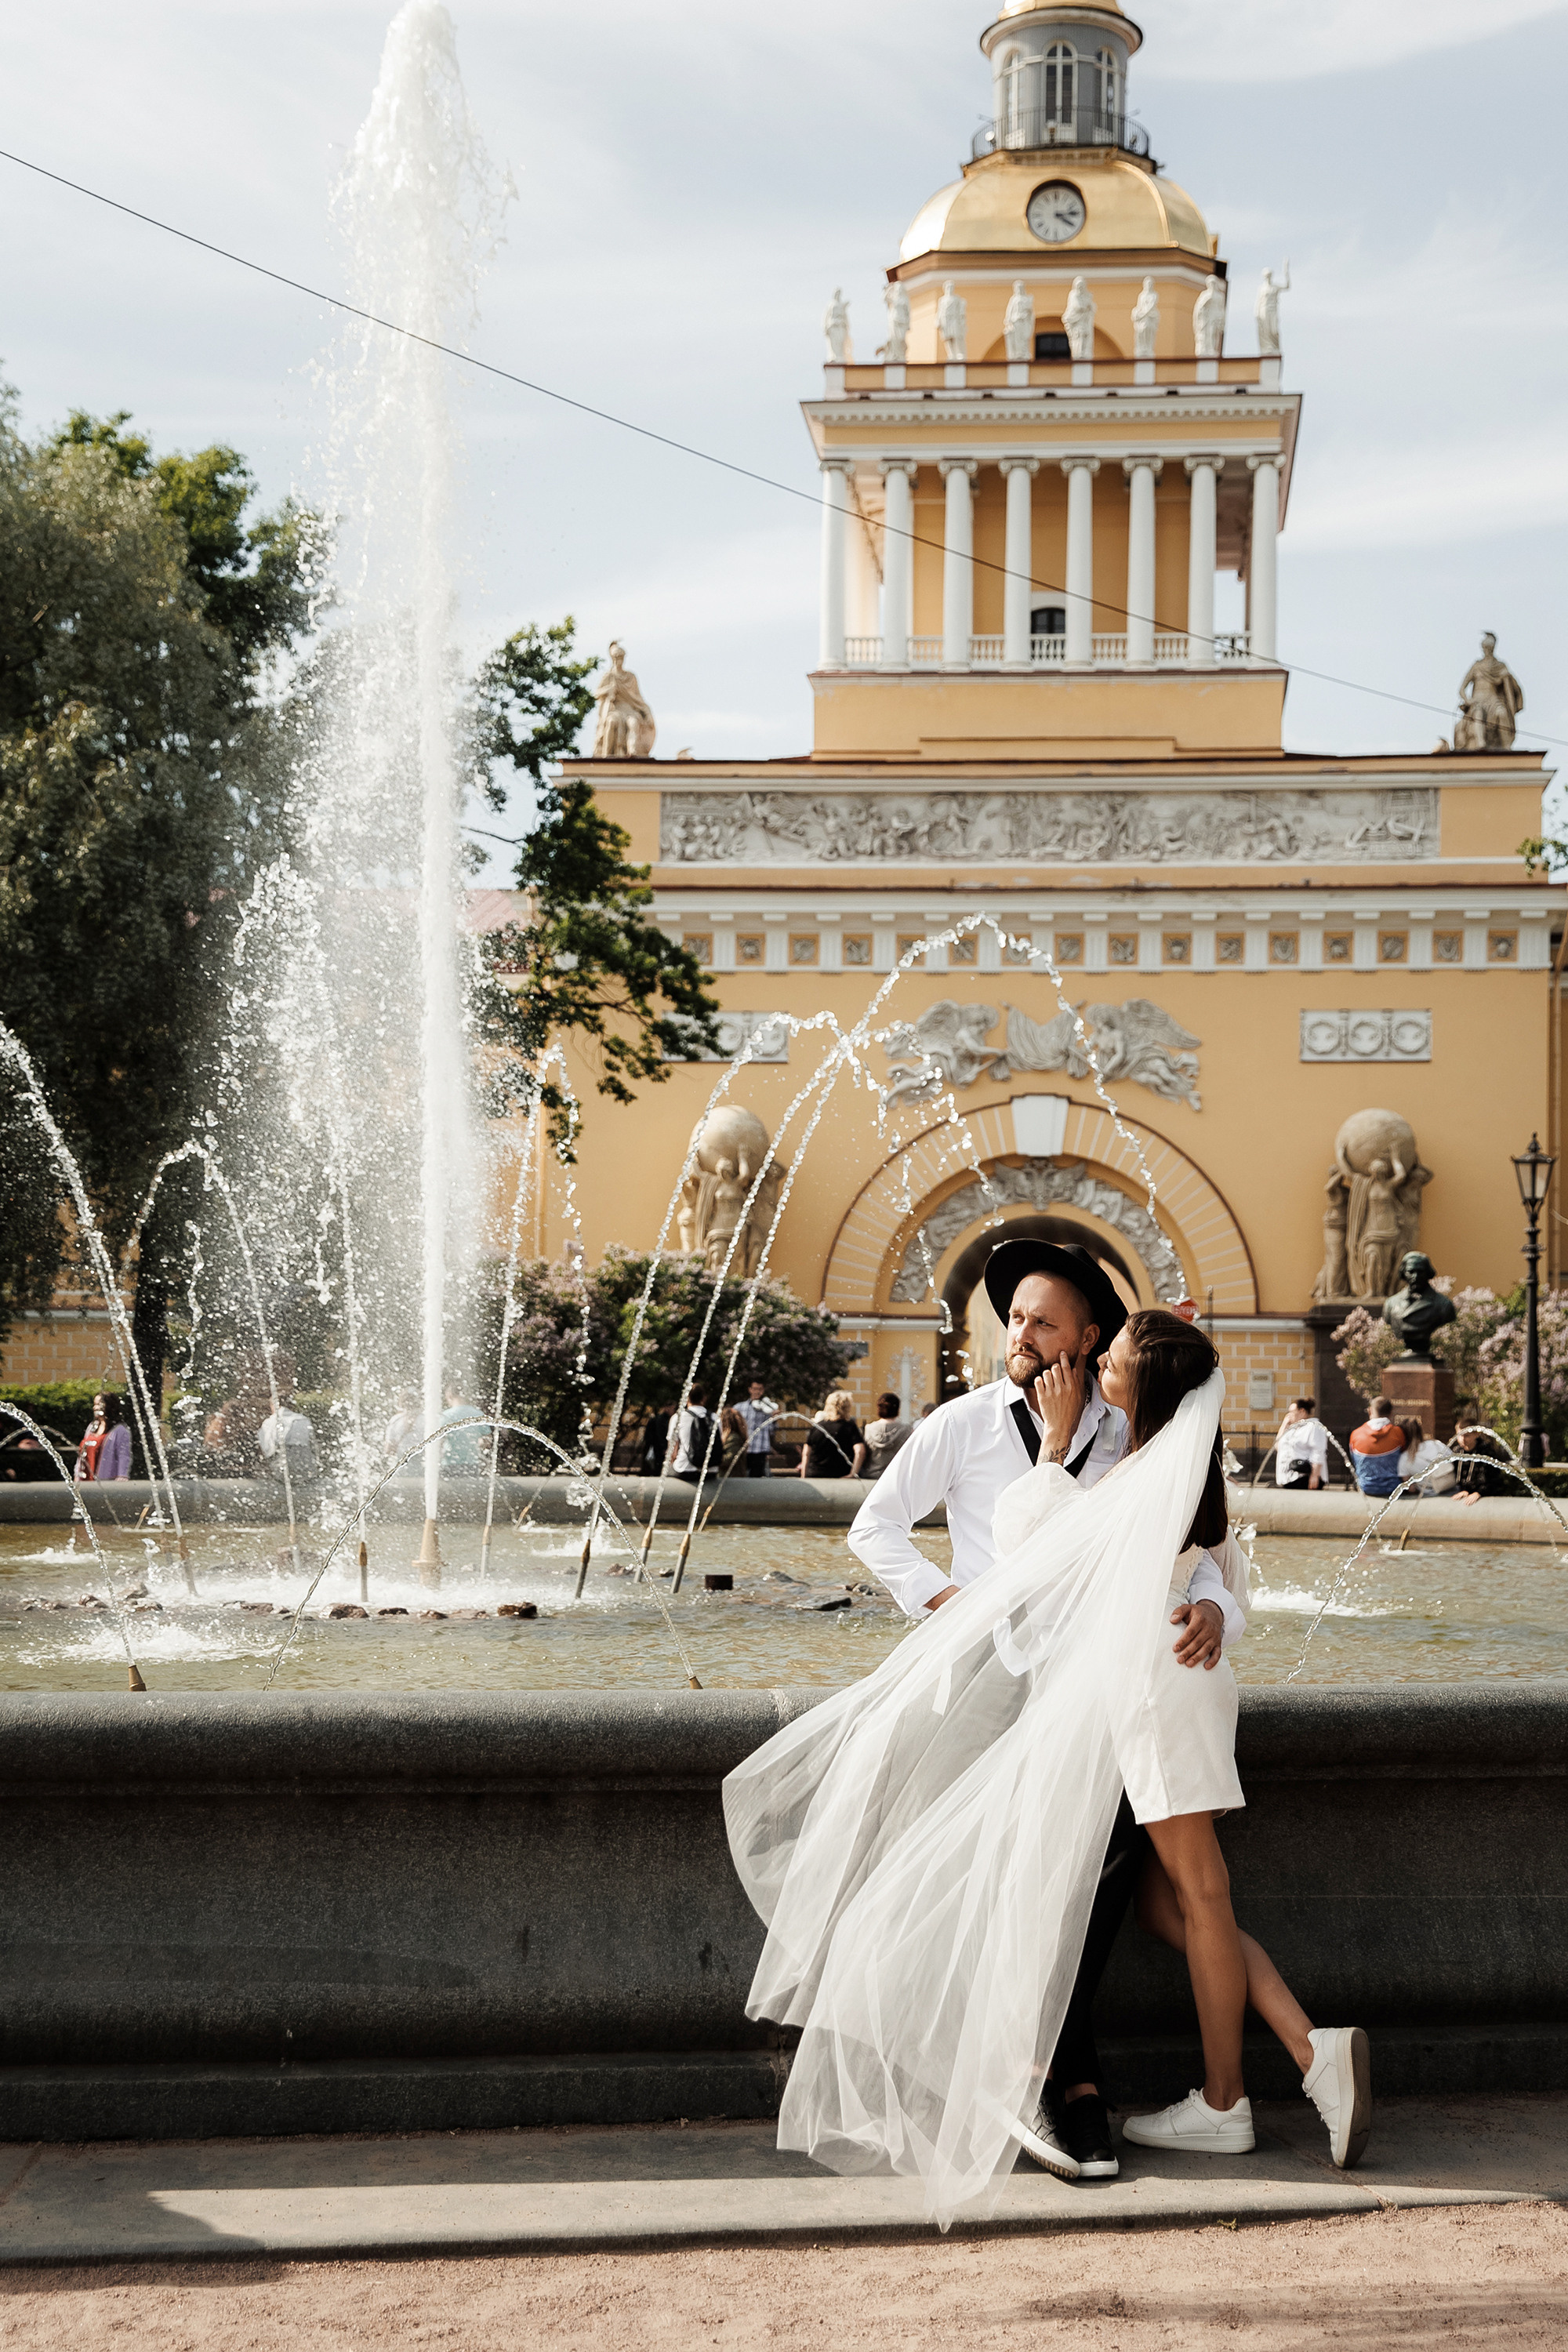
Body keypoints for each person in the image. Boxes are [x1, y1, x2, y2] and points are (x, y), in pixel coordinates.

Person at [725, 1304, 1370, 2225]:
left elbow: (1046, 1553)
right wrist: (1212, 1599)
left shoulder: (1136, 1466)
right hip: (1160, 1684)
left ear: (1141, 1385)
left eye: (1110, 1354)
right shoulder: (1165, 1465)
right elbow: (1208, 1563)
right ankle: (1297, 2059)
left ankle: (1258, 2087)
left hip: (1156, 1687)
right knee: (1166, 1903)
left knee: (1198, 1891)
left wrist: (1055, 1446)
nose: (1094, 1360)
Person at [844, 1241, 1233, 2183]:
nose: (1020, 1336)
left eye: (1042, 1322)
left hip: (1097, 1690)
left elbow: (1195, 1534)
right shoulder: (964, 1423)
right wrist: (949, 1608)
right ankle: (1066, 2083)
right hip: (991, 1678)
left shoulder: (1130, 1424)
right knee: (1014, 1879)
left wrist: (1213, 1603)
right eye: (1012, 1319)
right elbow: (874, 1529)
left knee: (1093, 1887)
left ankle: (1046, 2073)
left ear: (1088, 1336)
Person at [800, 1390, 866, 1480]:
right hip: (840, 1476)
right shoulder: (849, 1427)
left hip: (815, 1475)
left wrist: (804, 1476)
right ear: (847, 1407)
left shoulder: (818, 1427)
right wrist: (853, 1473)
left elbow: (806, 1453)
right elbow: (860, 1451)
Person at [1450, 1413, 1513, 1504]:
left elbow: (1494, 1479)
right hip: (1463, 1494)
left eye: (1467, 1435)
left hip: (1487, 1497)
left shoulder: (1486, 1452)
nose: (1463, 1439)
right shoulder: (1456, 1452)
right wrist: (1464, 1491)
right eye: (1460, 1435)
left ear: (1477, 1434)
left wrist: (1479, 1492)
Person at [256, 1392, 317, 1487]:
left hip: (281, 1473)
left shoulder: (270, 1422)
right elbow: (314, 1448)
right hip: (306, 1471)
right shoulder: (303, 1420)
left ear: (273, 1406)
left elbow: (266, 1451)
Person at [1348, 1398, 1404, 1497]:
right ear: (1391, 1413)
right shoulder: (1398, 1433)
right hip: (1393, 1488)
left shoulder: (1356, 1434)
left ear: (1370, 1411)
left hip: (1365, 1487)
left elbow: (1354, 1461)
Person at [1274, 1398, 1329, 1490]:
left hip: (1304, 1477)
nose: (1288, 1416)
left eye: (1291, 1412)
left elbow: (1318, 1451)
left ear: (1302, 1411)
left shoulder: (1314, 1426)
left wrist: (1315, 1475)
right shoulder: (1292, 1429)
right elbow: (1278, 1446)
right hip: (1288, 1478)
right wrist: (1284, 1425)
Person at [75, 1393, 131, 1483]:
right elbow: (82, 1453)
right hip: (85, 1479)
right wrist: (77, 1474)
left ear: (109, 1406)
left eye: (98, 1405)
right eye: (94, 1405)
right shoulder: (92, 1427)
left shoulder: (120, 1430)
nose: (95, 1408)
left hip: (106, 1480)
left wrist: (122, 1475)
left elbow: (123, 1455)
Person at [1398, 1416, 1454, 1496]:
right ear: (1420, 1431)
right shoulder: (1436, 1444)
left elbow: (1411, 1488)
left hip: (1429, 1494)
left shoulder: (1404, 1458)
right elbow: (1454, 1460)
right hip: (1451, 1487)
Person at [735, 1380, 779, 1479]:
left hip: (760, 1449)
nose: (757, 1392)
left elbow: (772, 1430)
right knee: (741, 1477)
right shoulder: (739, 1407)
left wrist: (774, 1419)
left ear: (763, 1391)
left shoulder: (768, 1409)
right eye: (755, 1389)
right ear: (750, 1390)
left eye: (760, 1389)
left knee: (757, 1479)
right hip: (744, 1449)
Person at [437, 1384, 485, 1474]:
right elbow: (486, 1441)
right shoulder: (478, 1414)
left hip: (449, 1464)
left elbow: (438, 1442)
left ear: (449, 1395)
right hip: (472, 1464)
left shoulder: (446, 1416)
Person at [862, 1393, 911, 1480]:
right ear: (898, 1410)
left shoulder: (868, 1429)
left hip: (871, 1476)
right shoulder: (906, 1430)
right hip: (896, 1477)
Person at [670, 1389, 716, 1483]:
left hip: (685, 1469)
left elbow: (673, 1450)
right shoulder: (714, 1417)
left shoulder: (678, 1417)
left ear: (687, 1399)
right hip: (710, 1471)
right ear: (704, 1399)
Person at [383, 1388, 421, 1466]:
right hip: (423, 1467)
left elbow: (388, 1449)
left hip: (401, 1467)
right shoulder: (428, 1420)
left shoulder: (395, 1421)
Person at [642, 1402, 675, 1477]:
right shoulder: (661, 1420)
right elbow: (660, 1434)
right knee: (658, 1467)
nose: (673, 1411)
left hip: (657, 1447)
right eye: (673, 1409)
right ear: (667, 1408)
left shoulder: (661, 1419)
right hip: (659, 1448)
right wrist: (664, 1447)